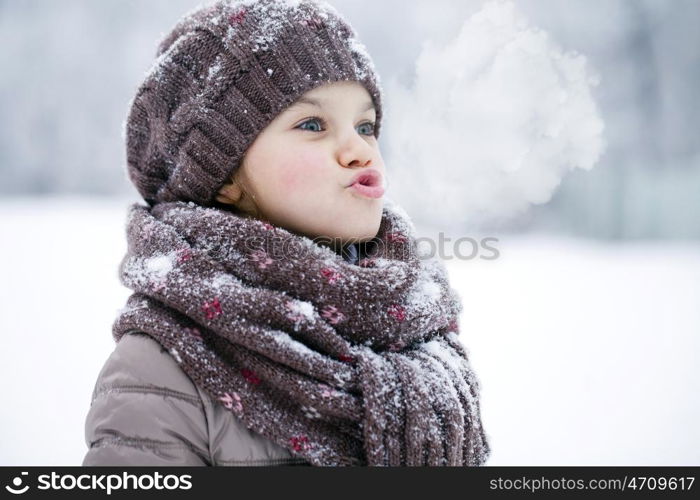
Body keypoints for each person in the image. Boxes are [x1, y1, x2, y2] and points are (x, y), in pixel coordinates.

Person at [82, 0, 490, 466]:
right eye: (312, 124)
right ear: (224, 176)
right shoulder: (164, 365)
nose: (359, 149)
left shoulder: (417, 324)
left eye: (366, 125)